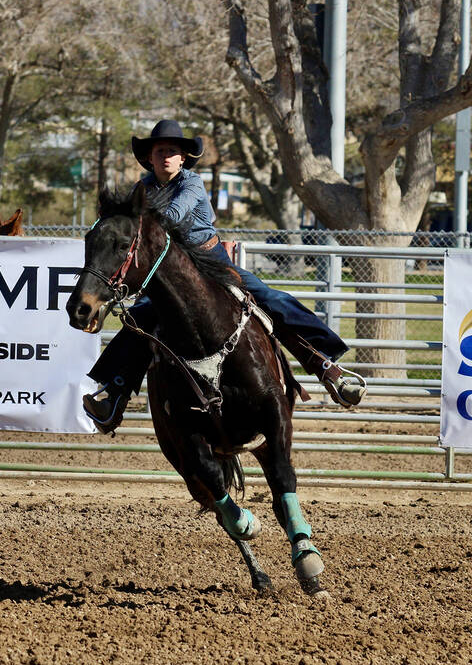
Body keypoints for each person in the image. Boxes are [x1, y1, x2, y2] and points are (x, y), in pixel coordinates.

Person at [82, 119, 367, 434]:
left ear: (182, 158)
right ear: (150, 157)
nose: (165, 156)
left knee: (269, 298)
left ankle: (326, 368)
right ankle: (115, 391)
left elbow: (172, 216)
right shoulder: (144, 188)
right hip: (166, 271)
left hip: (208, 260)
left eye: (172, 151)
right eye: (160, 150)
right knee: (140, 317)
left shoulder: (191, 184)